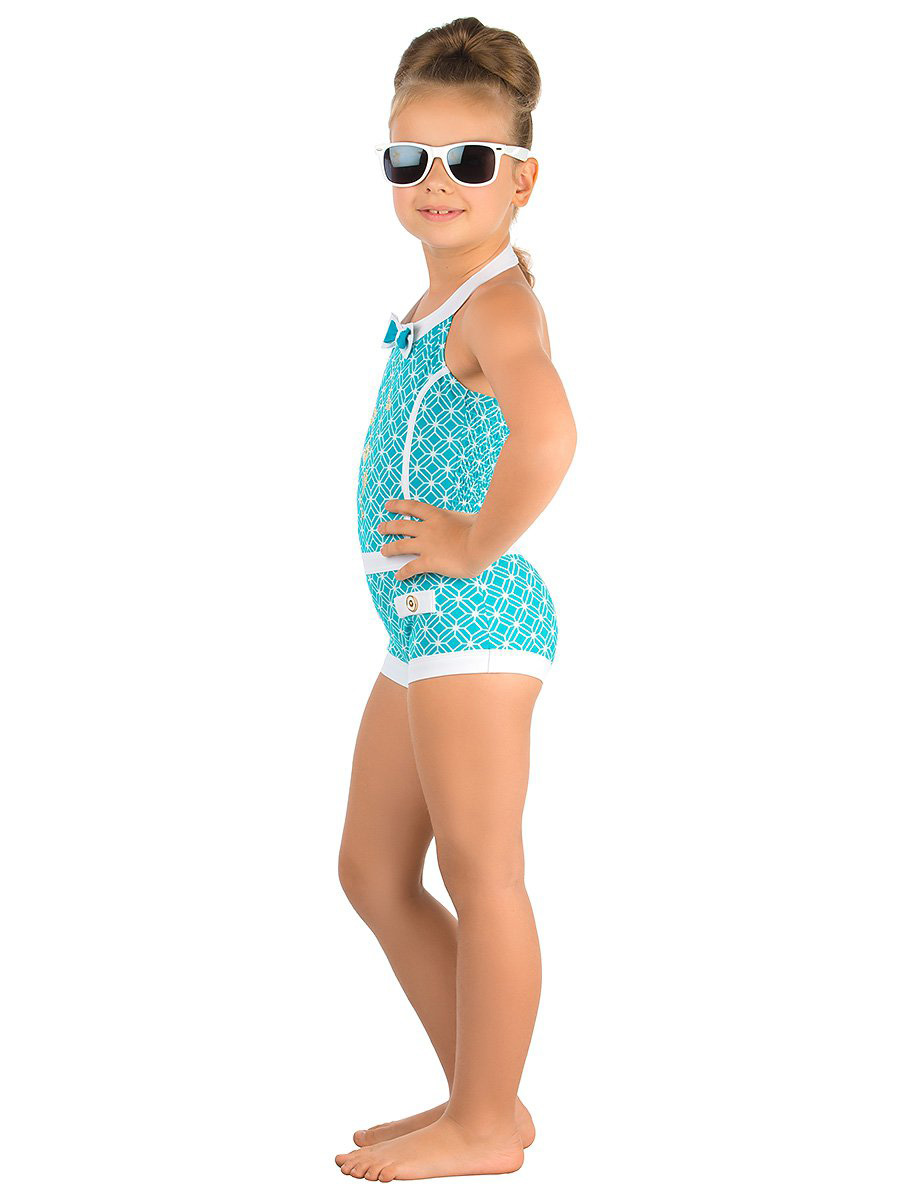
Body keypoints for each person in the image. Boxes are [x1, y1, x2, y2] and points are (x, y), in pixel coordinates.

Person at [336, 16, 577, 1182]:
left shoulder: (496, 304)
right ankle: (484, 1099)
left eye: (471, 159)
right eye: (411, 157)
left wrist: (475, 543)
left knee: (483, 872)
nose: (437, 181)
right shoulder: (437, 304)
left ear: (521, 179)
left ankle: (484, 1127)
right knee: (373, 872)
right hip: (420, 626)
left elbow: (551, 432)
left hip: (471, 621)